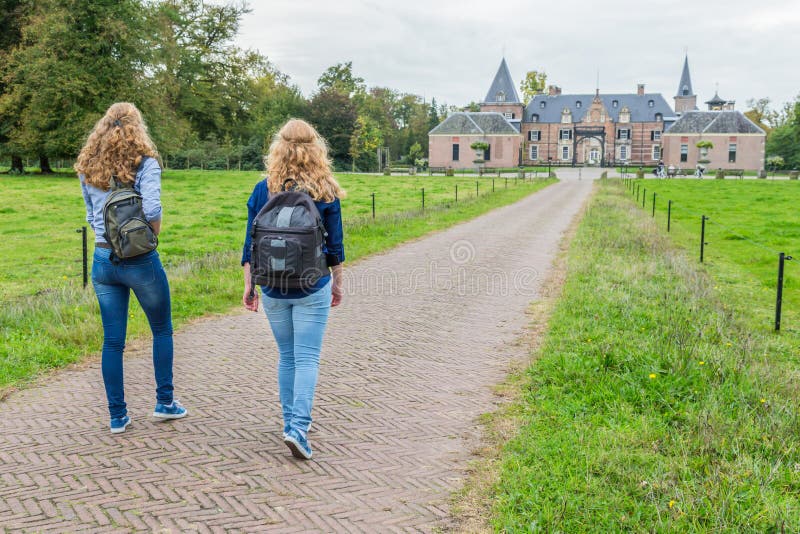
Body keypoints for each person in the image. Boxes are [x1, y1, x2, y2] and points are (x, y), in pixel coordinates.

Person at [77, 102, 187, 434]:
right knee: (162, 330)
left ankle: (117, 416)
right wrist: (150, 236)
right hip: (139, 258)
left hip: (102, 259)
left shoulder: (88, 166)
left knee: (113, 341)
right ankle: (165, 402)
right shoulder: (145, 163)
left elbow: (89, 215)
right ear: (137, 127)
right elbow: (152, 207)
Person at [241, 119, 345, 460]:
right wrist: (338, 282)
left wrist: (249, 285)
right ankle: (298, 428)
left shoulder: (263, 188)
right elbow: (335, 247)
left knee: (287, 356)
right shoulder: (325, 189)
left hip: (272, 285)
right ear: (317, 149)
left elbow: (250, 244)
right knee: (307, 357)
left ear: (278, 148)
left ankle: (290, 422)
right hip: (312, 283)